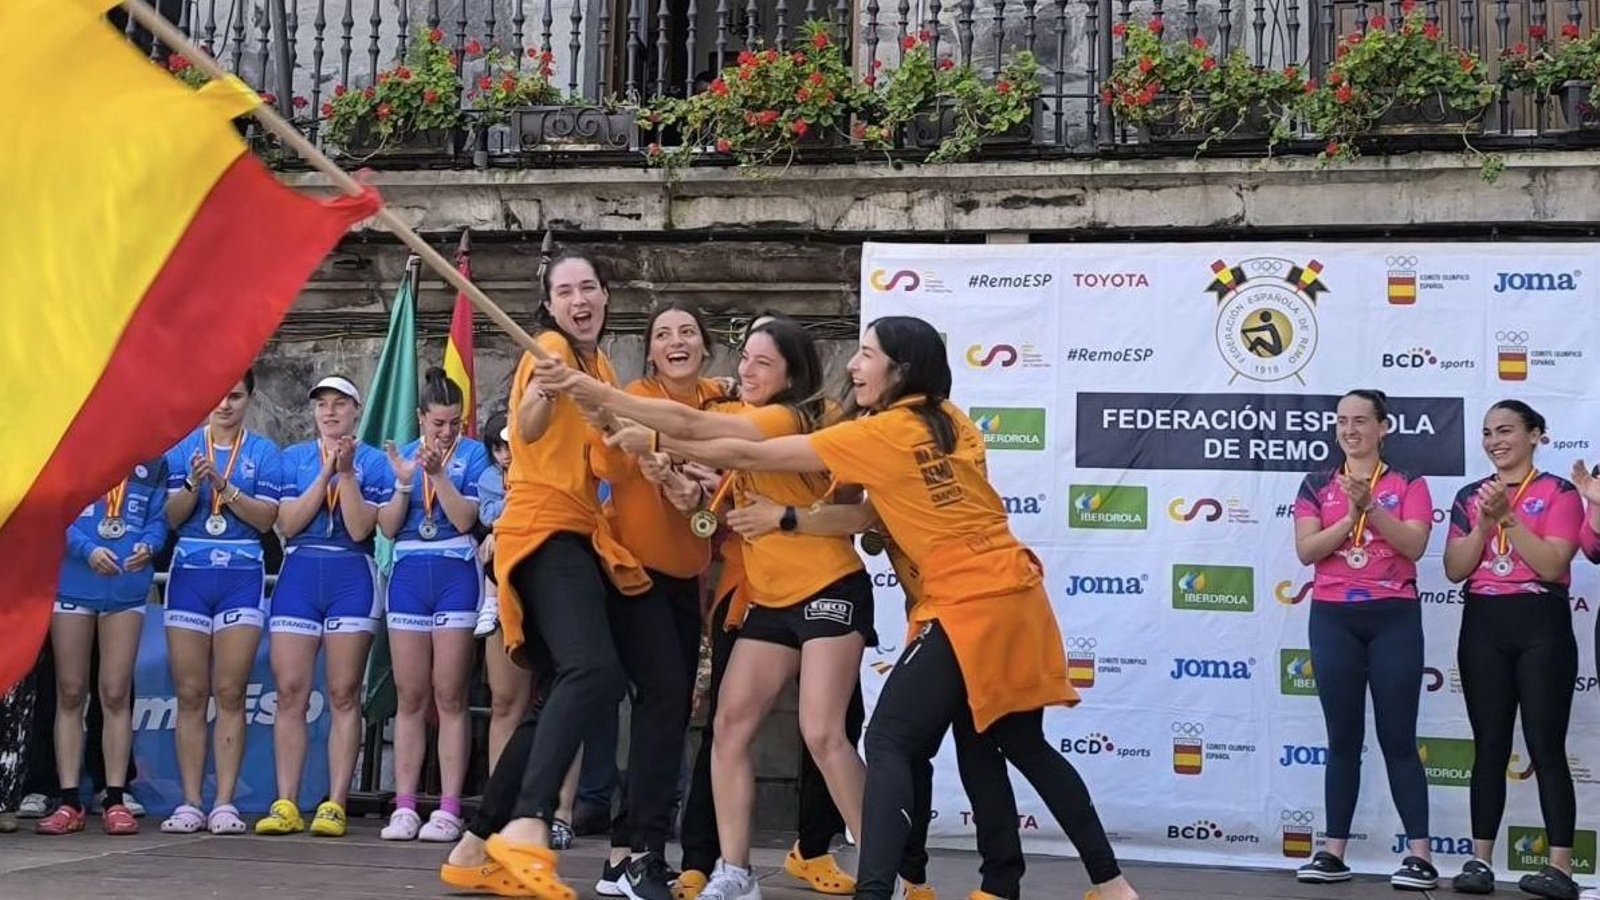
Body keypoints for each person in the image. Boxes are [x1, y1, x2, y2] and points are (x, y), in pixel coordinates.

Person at [576, 315, 1139, 900]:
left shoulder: (874, 431)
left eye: (867, 354)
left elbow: (739, 445)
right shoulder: (950, 421)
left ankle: (882, 886)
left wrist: (620, 411)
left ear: (900, 370)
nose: (852, 364)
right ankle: (1075, 884)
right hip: (1009, 592)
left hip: (966, 603)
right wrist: (722, 491)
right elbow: (869, 513)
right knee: (1002, 745)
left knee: (886, 737)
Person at [541, 318, 875, 900]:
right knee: (728, 726)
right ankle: (735, 871)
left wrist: (606, 400)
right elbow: (717, 510)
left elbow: (698, 429)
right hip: (767, 597)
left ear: (792, 374)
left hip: (827, 586)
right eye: (745, 358)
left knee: (825, 733)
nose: (746, 371)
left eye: (763, 363)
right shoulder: (744, 414)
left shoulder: (790, 417)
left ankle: (885, 867)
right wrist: (689, 493)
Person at [440, 250, 654, 900]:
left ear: (606, 295)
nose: (579, 299)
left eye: (588, 287)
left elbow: (606, 466)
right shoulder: (551, 349)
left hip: (577, 531)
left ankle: (475, 844)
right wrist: (544, 390)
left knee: (566, 684)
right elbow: (527, 428)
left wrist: (621, 429)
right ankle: (528, 822)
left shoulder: (601, 367)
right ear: (551, 304)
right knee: (592, 670)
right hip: (543, 528)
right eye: (566, 291)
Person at [728, 492, 1029, 900]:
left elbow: (859, 511)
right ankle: (911, 877)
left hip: (971, 611)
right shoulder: (886, 463)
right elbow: (860, 508)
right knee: (901, 746)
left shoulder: (917, 460)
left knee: (975, 747)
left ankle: (995, 881)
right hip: (932, 614)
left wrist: (781, 514)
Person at [1288, 390, 1436, 889]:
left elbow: (1414, 544)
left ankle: (1420, 855)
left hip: (1394, 617)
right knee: (1342, 739)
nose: (1349, 430)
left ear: (1383, 427)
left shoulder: (1408, 483)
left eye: (1360, 421)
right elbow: (1307, 550)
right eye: (1341, 422)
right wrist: (1350, 519)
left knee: (1398, 737)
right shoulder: (1316, 484)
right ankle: (1334, 852)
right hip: (1333, 618)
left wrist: (1372, 507)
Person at [1443, 401, 1583, 900]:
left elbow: (1551, 564)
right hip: (1484, 623)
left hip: (1541, 624)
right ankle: (1479, 861)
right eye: (1487, 432)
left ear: (1535, 435)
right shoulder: (1470, 496)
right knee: (1490, 746)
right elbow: (1454, 569)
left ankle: (1560, 867)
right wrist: (1484, 524)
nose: (1494, 441)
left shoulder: (1559, 492)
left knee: (1546, 747)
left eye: (1505, 430)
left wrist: (1509, 519)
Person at [255, 374, 393, 838]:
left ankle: (335, 802)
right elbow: (289, 524)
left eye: (340, 403)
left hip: (351, 574)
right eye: (322, 405)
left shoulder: (373, 461)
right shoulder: (293, 458)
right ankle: (286, 802)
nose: (330, 412)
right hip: (299, 573)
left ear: (356, 410)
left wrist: (347, 474)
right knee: (290, 690)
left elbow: (360, 530)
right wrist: (325, 473)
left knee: (343, 692)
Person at [160, 371, 284, 835]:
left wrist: (224, 487)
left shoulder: (263, 452)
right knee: (190, 693)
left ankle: (225, 802)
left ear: (249, 399)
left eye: (235, 396)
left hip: (241, 571)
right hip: (189, 572)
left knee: (231, 692)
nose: (225, 405)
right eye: (217, 396)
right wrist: (194, 486)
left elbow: (266, 519)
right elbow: (171, 519)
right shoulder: (182, 449)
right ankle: (191, 802)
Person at [377, 368, 492, 843]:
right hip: (408, 572)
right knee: (410, 695)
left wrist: (438, 474)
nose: (445, 432)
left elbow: (467, 519)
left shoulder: (475, 455)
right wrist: (406, 483)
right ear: (420, 417)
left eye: (453, 423)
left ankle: (448, 808)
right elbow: (387, 527)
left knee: (450, 695)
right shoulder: (401, 455)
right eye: (437, 423)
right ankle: (404, 806)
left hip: (455, 572)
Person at [35, 459, 168, 836]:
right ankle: (69, 800)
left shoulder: (154, 462)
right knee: (70, 691)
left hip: (126, 588)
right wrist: (87, 549)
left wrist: (150, 545)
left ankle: (115, 798)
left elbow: (159, 517)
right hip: (74, 583)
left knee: (115, 692)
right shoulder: (76, 453)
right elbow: (55, 515)